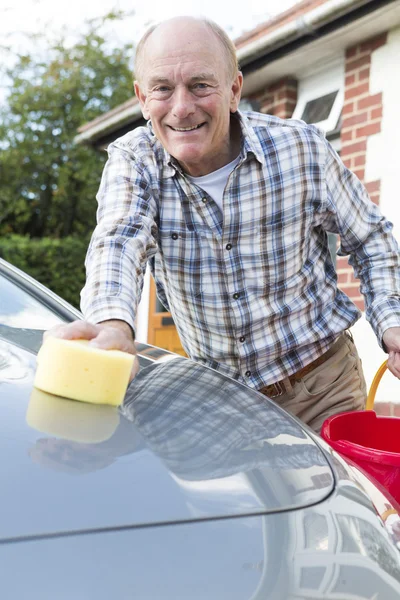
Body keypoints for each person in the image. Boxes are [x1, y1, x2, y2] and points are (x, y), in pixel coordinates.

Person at [46, 16, 400, 433]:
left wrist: (392, 322)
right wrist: (113, 327)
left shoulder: (301, 147)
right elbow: (118, 242)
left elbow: (371, 238)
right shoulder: (134, 160)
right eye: (163, 88)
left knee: (346, 499)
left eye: (200, 85)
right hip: (219, 399)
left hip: (324, 386)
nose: (181, 107)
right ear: (143, 98)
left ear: (233, 90)